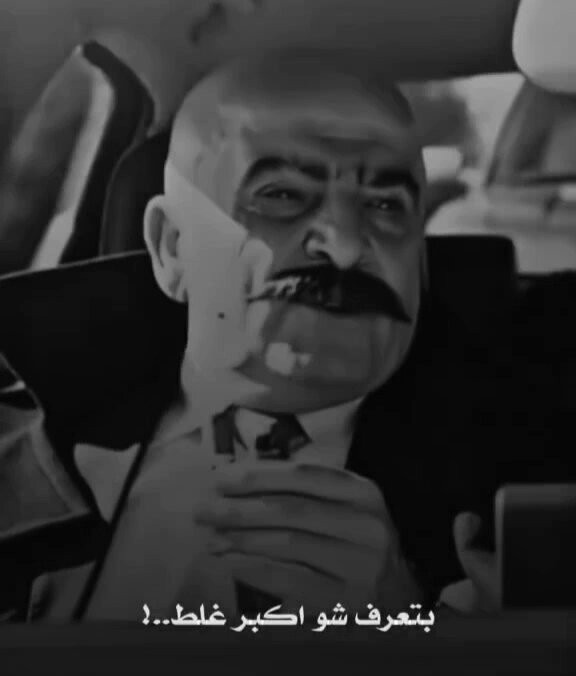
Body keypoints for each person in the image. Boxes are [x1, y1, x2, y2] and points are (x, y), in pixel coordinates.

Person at [0, 53, 497, 622]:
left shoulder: (524, 481)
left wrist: (409, 625)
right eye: (283, 195)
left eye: (386, 205)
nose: (344, 247)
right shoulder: (23, 456)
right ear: (172, 248)